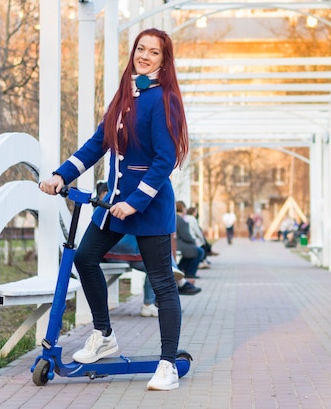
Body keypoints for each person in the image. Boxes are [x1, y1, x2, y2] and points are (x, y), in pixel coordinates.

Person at [39, 28, 187, 391]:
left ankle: (167, 363)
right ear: (134, 52)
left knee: (162, 282)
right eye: (141, 49)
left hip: (147, 206)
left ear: (164, 61)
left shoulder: (163, 98)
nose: (146, 56)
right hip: (112, 203)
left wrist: (134, 202)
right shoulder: (125, 95)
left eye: (154, 52)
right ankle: (104, 334)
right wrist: (62, 175)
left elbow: (164, 160)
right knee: (84, 258)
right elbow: (97, 144)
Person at [103, 235, 202, 317]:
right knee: (157, 263)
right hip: (125, 252)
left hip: (115, 251)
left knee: (160, 256)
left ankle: (178, 283)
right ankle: (178, 283)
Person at [175, 201, 205, 279]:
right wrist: (193, 241)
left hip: (179, 243)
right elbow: (186, 235)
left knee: (193, 251)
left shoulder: (177, 218)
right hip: (179, 244)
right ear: (182, 208)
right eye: (185, 208)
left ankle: (182, 269)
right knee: (199, 251)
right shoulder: (180, 219)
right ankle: (190, 272)